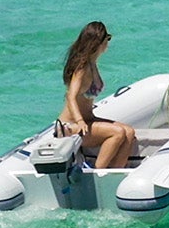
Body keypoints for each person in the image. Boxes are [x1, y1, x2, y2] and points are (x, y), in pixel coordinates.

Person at [57, 21, 136, 169]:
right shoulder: (82, 68)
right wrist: (80, 121)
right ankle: (97, 175)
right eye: (108, 38)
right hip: (71, 126)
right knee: (117, 133)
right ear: (99, 41)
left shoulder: (92, 63)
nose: (108, 42)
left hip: (89, 120)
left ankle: (114, 174)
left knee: (129, 132)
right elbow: (71, 96)